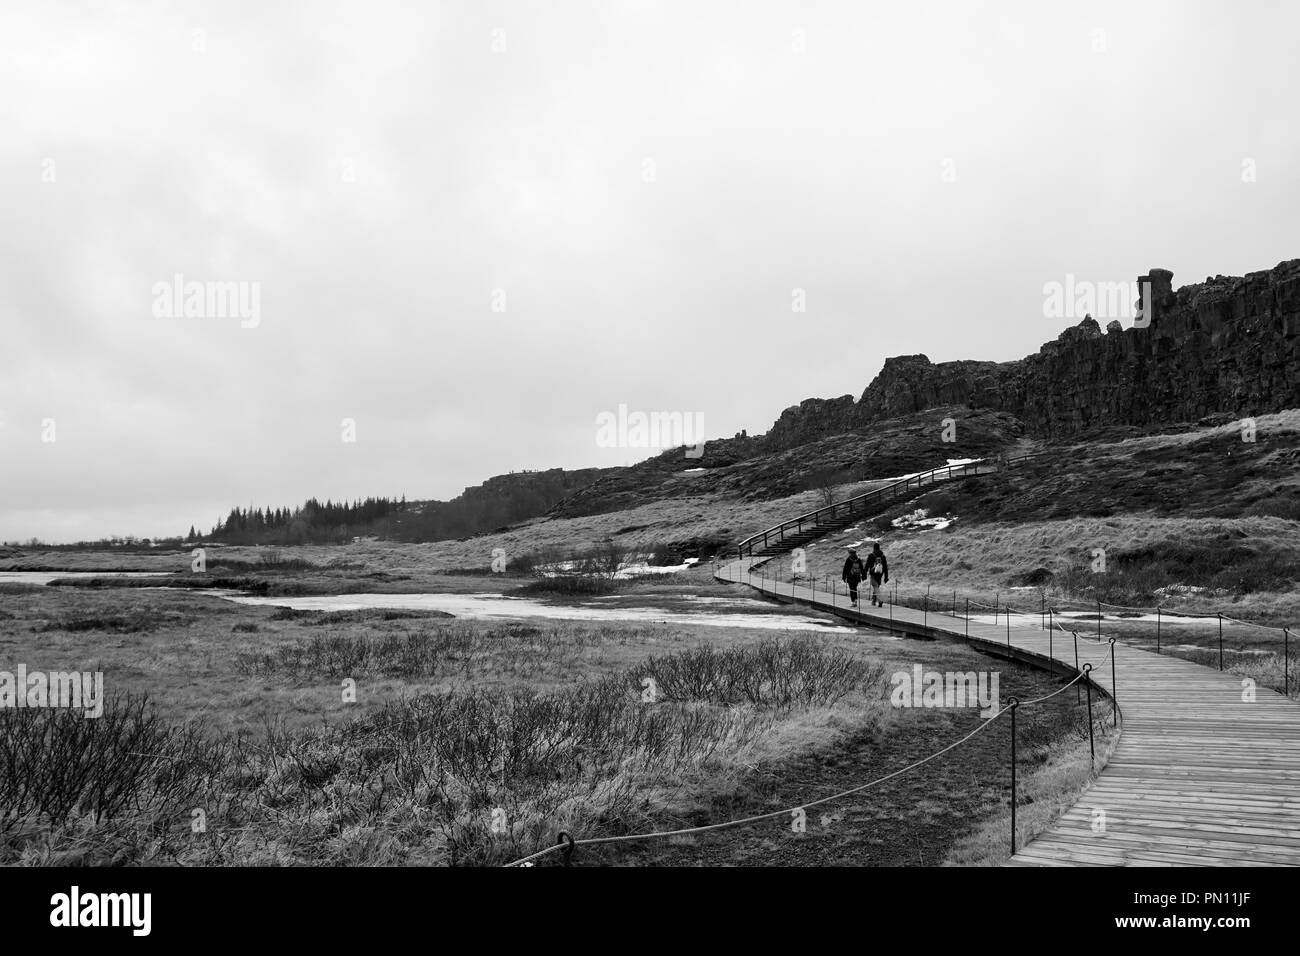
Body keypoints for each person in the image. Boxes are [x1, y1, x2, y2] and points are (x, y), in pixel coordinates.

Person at [867, 541, 889, 607]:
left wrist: (864, 573)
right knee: (876, 587)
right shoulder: (883, 556)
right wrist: (886, 577)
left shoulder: (871, 555)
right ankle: (873, 601)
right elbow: (885, 567)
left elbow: (867, 565)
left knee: (875, 587)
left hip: (873, 574)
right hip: (880, 574)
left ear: (874, 548)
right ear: (879, 548)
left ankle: (880, 600)